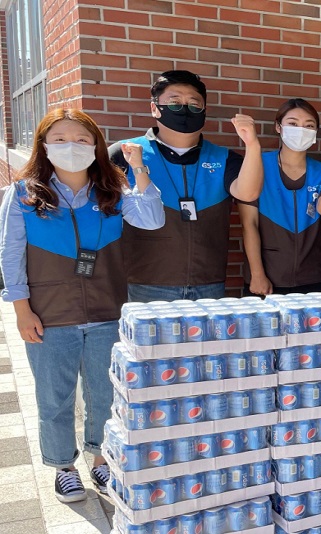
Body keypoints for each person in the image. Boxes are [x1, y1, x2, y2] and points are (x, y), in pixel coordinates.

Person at [0, 109, 164, 502]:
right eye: (59, 139)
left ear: (95, 146)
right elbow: (10, 255)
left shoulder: (112, 192)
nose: (70, 146)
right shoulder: (23, 195)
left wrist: (139, 170)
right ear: (43, 145)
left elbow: (152, 219)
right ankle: (63, 467)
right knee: (54, 397)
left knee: (105, 393)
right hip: (50, 313)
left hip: (107, 311)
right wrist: (22, 310)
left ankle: (101, 459)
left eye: (81, 139)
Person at [109, 70, 263, 301]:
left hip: (208, 281)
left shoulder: (224, 157)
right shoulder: (124, 153)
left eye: (193, 103)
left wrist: (252, 144)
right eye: (175, 102)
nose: (184, 108)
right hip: (145, 282)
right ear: (154, 108)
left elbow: (248, 193)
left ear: (204, 110)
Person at [239, 98, 321, 295]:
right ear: (278, 127)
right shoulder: (257, 164)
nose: (301, 130)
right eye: (293, 123)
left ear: (315, 132)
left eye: (309, 126)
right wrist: (257, 274)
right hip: (269, 276)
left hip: (313, 275)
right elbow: (249, 224)